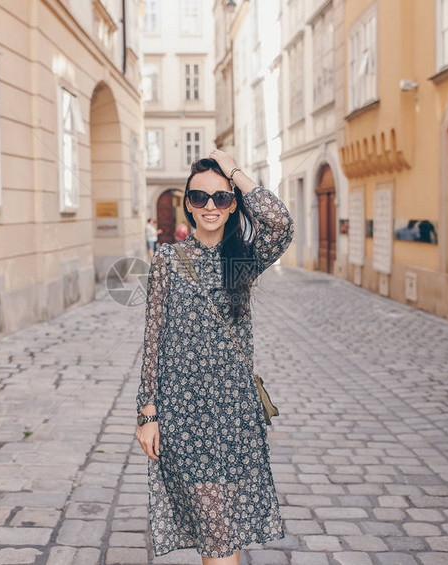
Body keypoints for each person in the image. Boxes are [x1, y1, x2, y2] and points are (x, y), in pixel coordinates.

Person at [135, 149, 294, 563]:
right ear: (187, 203)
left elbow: (280, 222)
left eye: (221, 198)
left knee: (224, 531)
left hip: (235, 416)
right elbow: (153, 340)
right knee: (217, 530)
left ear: (233, 204)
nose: (210, 206)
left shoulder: (242, 260)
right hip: (184, 418)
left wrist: (234, 170)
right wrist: (147, 414)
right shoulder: (168, 260)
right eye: (200, 197)